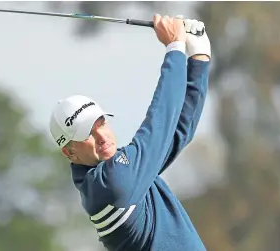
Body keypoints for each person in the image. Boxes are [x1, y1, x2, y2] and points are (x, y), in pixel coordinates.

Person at [49, 14, 211, 251]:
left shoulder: (119, 175)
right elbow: (161, 120)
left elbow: (177, 132)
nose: (102, 137)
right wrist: (174, 48)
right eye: (87, 134)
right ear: (69, 152)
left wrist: (199, 58)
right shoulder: (113, 184)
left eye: (101, 123)